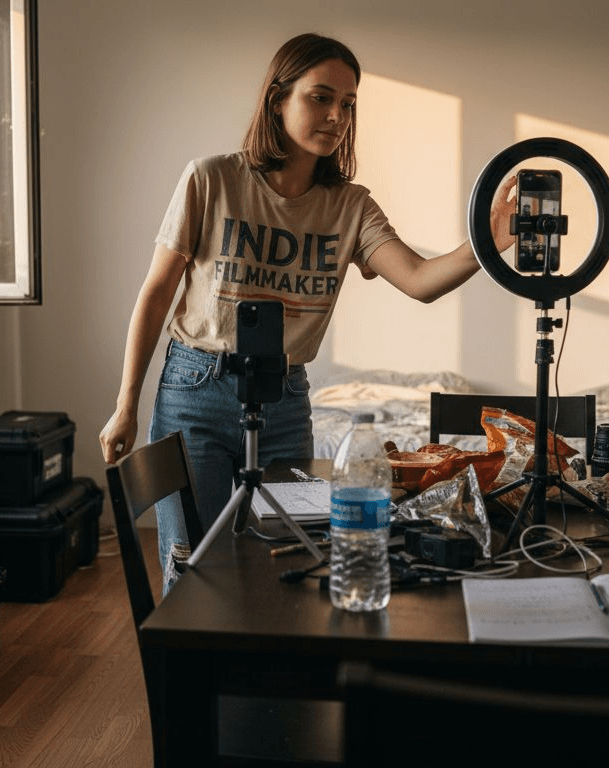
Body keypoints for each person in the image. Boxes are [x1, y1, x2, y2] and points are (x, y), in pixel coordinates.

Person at [100, 32, 517, 591]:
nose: (337, 116)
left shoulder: (350, 205)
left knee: (285, 554)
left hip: (285, 398)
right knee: (193, 565)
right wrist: (125, 405)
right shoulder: (211, 179)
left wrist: (487, 243)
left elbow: (419, 281)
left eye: (347, 104)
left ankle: (269, 675)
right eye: (320, 98)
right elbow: (156, 294)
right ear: (278, 99)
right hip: (194, 388)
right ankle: (201, 679)